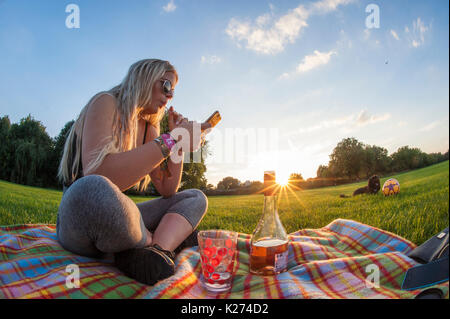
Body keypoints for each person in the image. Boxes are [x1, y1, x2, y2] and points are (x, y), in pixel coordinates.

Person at [56, 59, 212, 285]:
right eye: (166, 86)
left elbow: (168, 189)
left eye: (173, 91)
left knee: (194, 197)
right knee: (93, 188)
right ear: (144, 78)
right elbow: (98, 173)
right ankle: (161, 239)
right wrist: (172, 139)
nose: (169, 96)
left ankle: (155, 252)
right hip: (83, 211)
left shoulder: (150, 127)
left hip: (119, 216)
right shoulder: (106, 102)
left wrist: (178, 143)